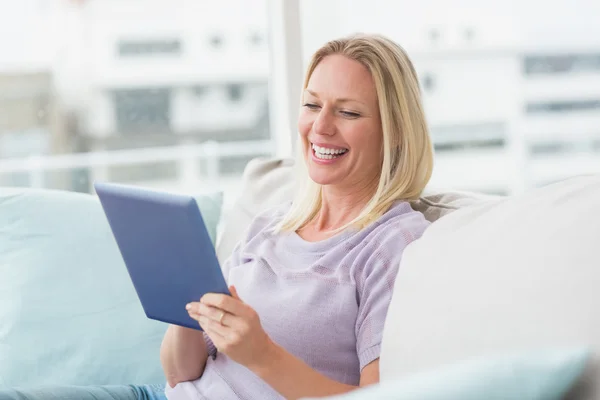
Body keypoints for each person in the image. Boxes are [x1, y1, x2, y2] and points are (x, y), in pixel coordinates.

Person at [0, 33, 433, 400]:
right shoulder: (271, 225)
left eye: (348, 111)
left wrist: (260, 353)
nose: (320, 127)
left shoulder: (394, 245)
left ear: (394, 133)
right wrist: (185, 306)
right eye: (311, 105)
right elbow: (177, 374)